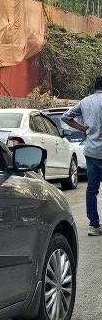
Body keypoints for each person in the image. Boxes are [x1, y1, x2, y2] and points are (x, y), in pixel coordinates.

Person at [63, 77, 102, 235]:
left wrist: (82, 128)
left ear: (94, 87)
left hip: (91, 151)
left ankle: (94, 225)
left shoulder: (85, 102)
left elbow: (66, 117)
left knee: (92, 189)